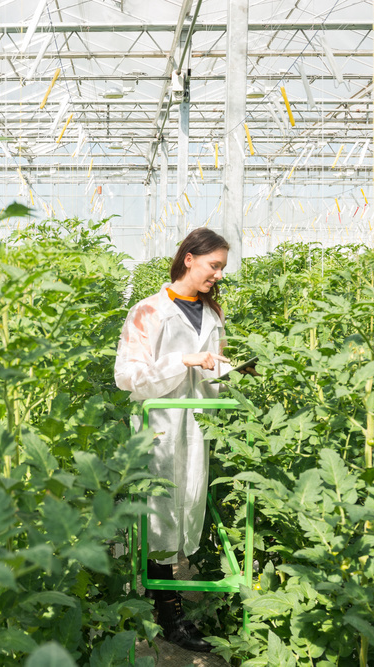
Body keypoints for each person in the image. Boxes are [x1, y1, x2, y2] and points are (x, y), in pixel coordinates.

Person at [114, 227, 232, 653]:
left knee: (186, 509)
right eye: (213, 265)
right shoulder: (149, 311)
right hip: (160, 427)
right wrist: (181, 359)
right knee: (160, 515)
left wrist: (225, 370)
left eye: (221, 267)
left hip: (198, 424)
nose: (217, 274)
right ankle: (169, 614)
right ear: (189, 259)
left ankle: (164, 599)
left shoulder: (212, 313)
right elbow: (127, 377)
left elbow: (212, 367)